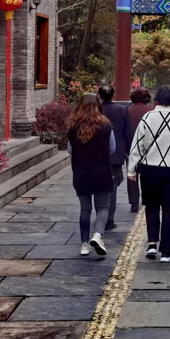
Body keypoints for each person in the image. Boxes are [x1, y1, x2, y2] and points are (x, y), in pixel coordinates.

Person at [127, 85, 170, 263]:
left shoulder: (147, 118)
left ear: (156, 100)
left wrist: (131, 169)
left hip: (149, 168)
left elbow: (137, 145)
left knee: (151, 206)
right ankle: (166, 251)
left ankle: (152, 243)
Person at [67, 93, 115, 257]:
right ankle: (98, 235)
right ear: (98, 105)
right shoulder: (105, 125)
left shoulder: (73, 126)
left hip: (81, 172)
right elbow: (112, 148)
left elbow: (70, 149)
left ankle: (84, 244)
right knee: (102, 207)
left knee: (85, 209)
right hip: (102, 170)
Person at [99, 85, 132, 231]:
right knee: (112, 188)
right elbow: (127, 132)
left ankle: (100, 215)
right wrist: (129, 151)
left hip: (97, 155)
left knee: (99, 188)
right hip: (116, 155)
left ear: (99, 95)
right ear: (113, 95)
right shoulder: (122, 110)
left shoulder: (96, 110)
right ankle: (108, 220)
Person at [127, 87, 154, 213]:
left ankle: (134, 202)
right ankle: (147, 198)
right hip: (149, 148)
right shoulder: (152, 111)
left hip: (131, 147)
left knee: (132, 174)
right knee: (147, 175)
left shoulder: (128, 111)